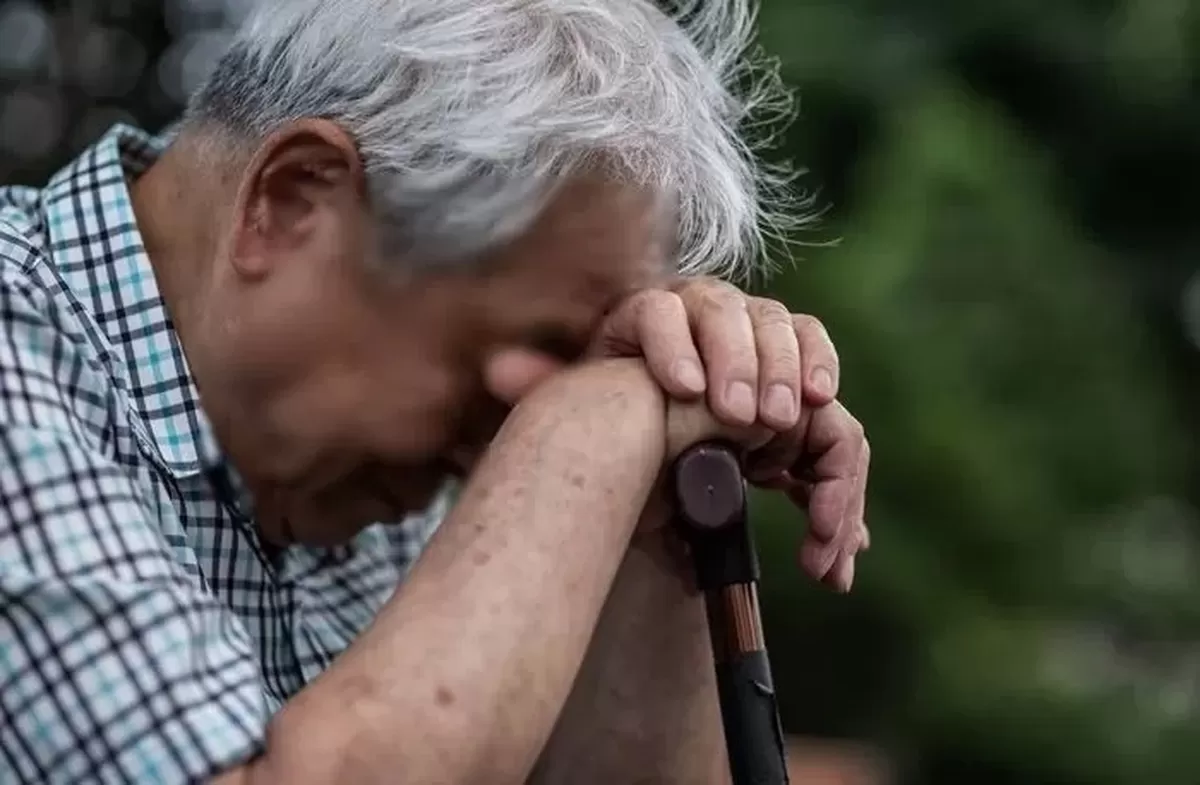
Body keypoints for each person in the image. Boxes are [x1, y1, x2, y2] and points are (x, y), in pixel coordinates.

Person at [0, 0, 870, 783]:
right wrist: (589, 421)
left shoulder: (352, 456)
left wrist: (668, 424)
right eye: (524, 355)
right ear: (292, 198)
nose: (503, 440)